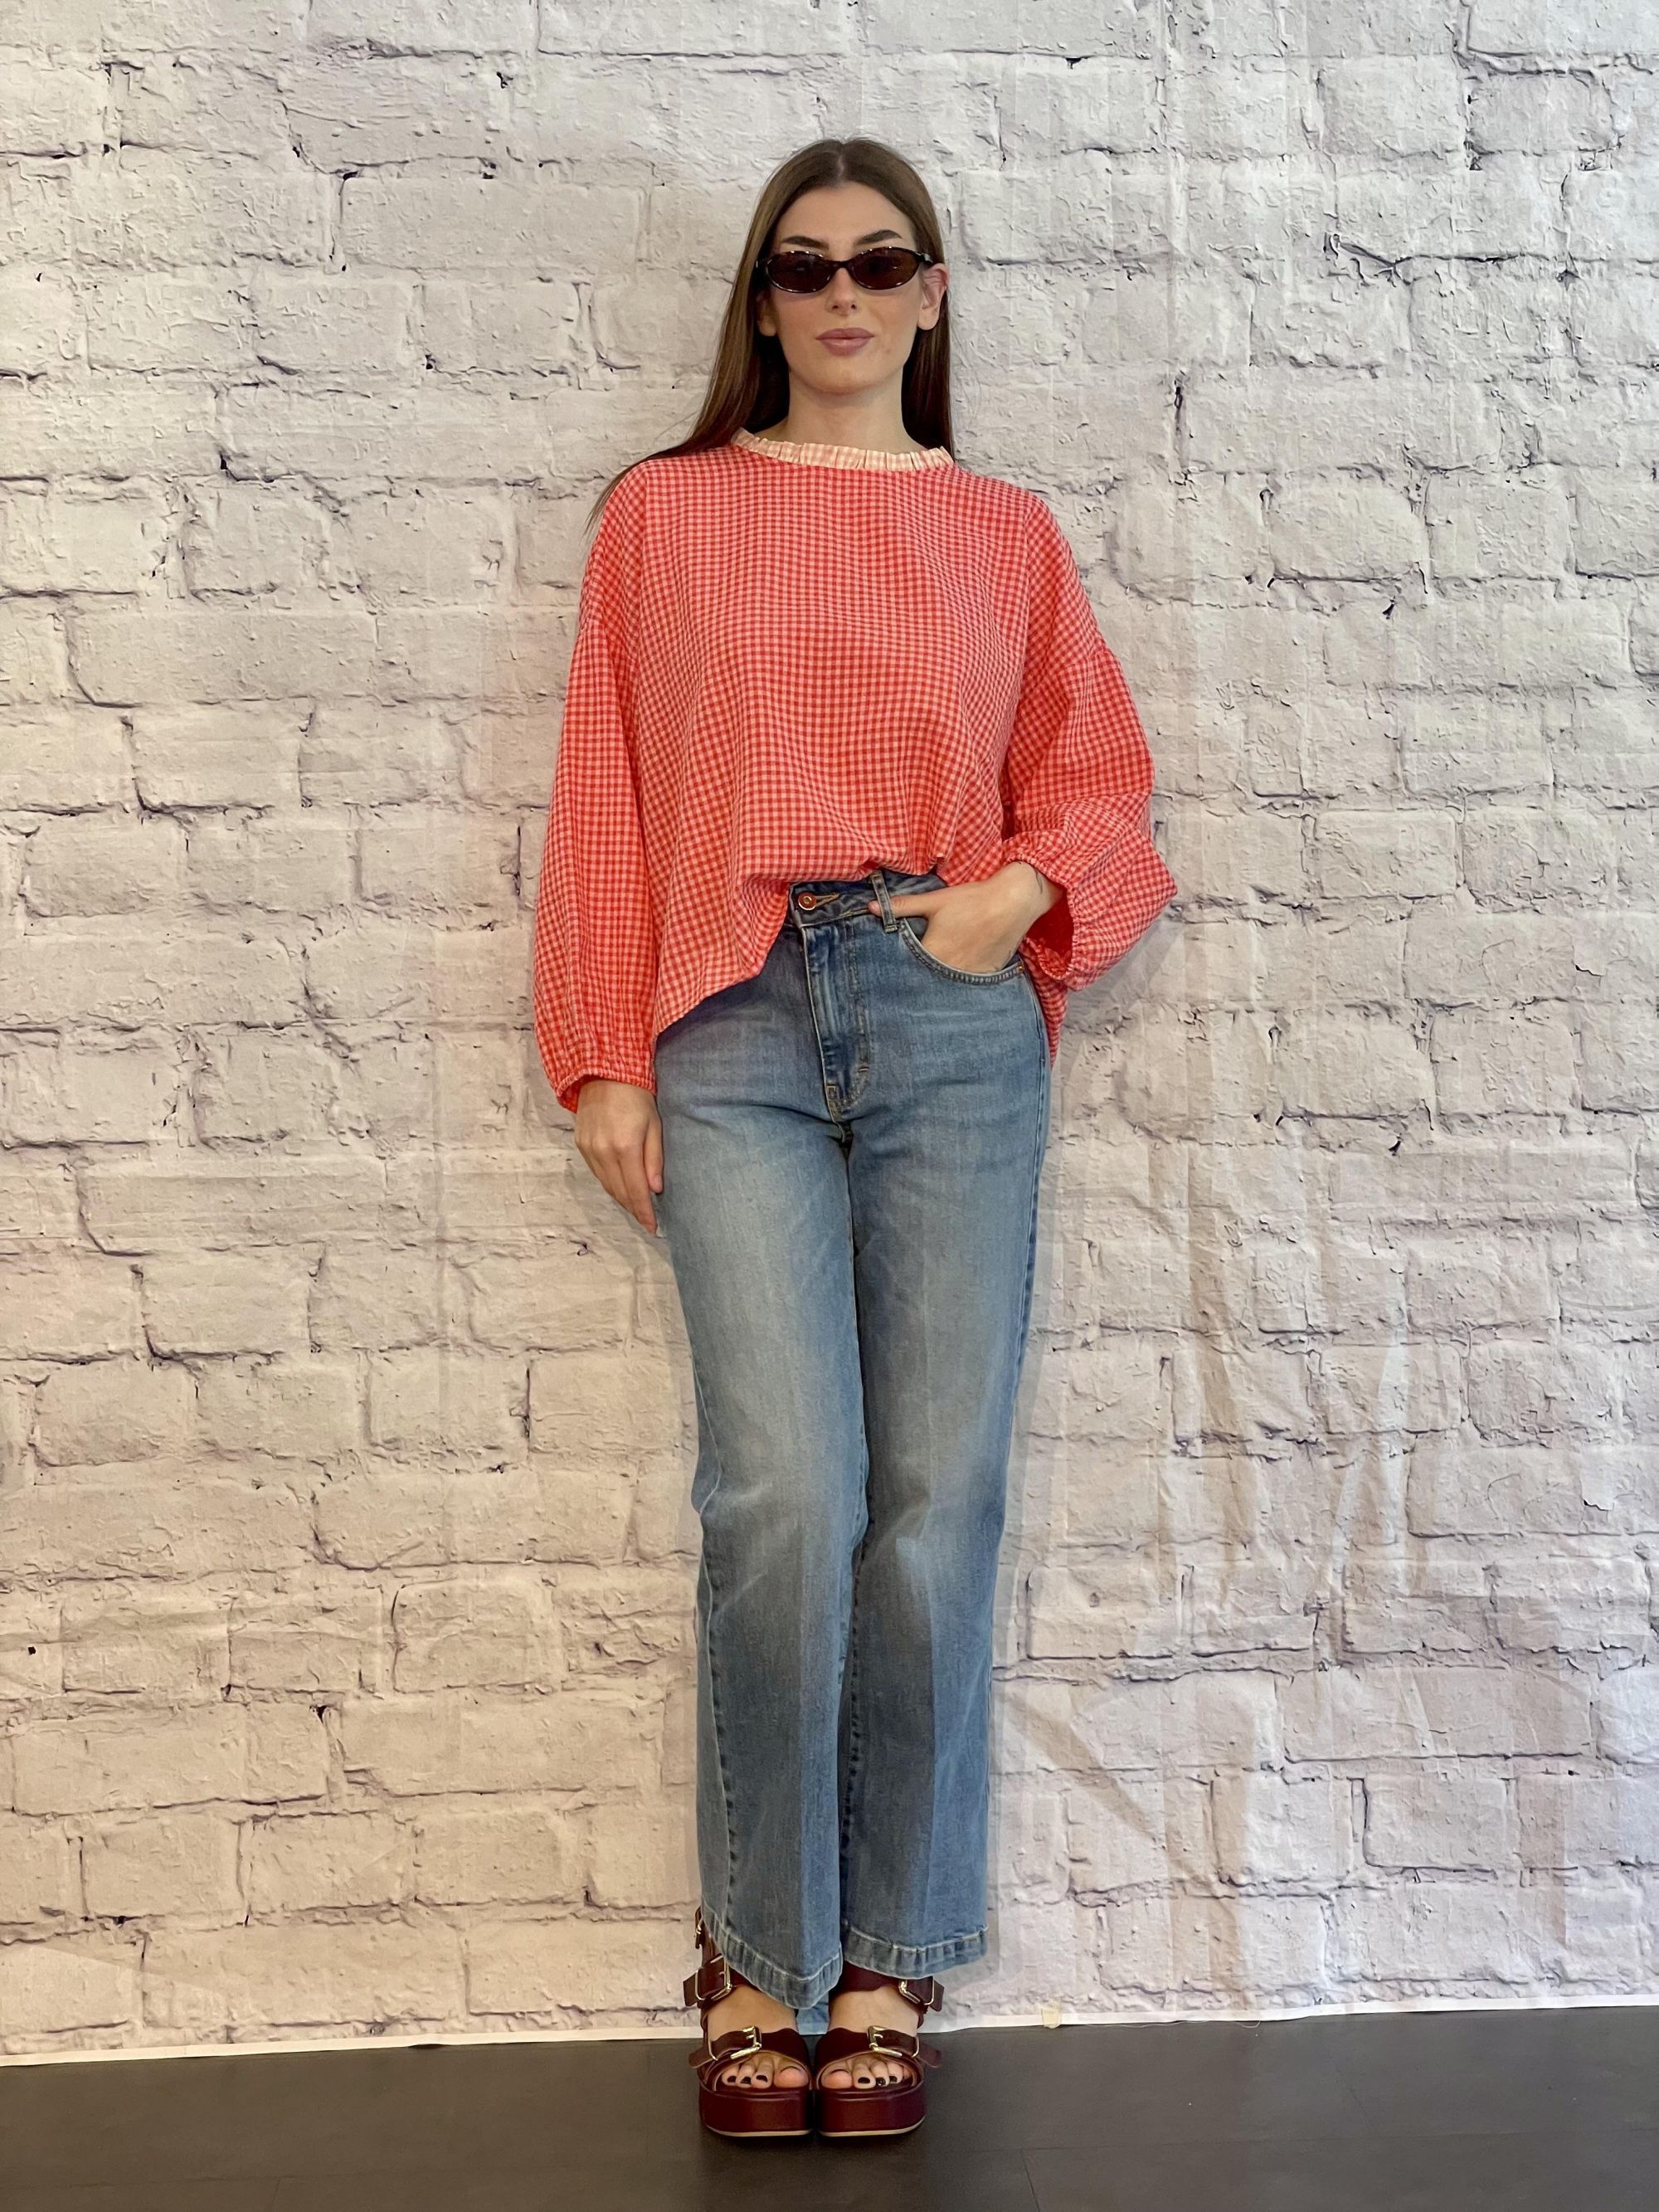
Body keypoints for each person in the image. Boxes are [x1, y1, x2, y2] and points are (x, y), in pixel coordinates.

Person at [532, 136, 1178, 2141]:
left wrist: (1016, 894)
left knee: (937, 1499)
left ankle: (887, 1955)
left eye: (878, 263)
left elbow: (1103, 780)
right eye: (802, 266)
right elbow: (606, 780)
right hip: (726, 1016)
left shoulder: (1001, 533)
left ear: (929, 296)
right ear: (761, 298)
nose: (839, 295)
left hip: (946, 1017)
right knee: (784, 1496)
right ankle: (754, 1956)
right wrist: (602, 1048)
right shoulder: (663, 515)